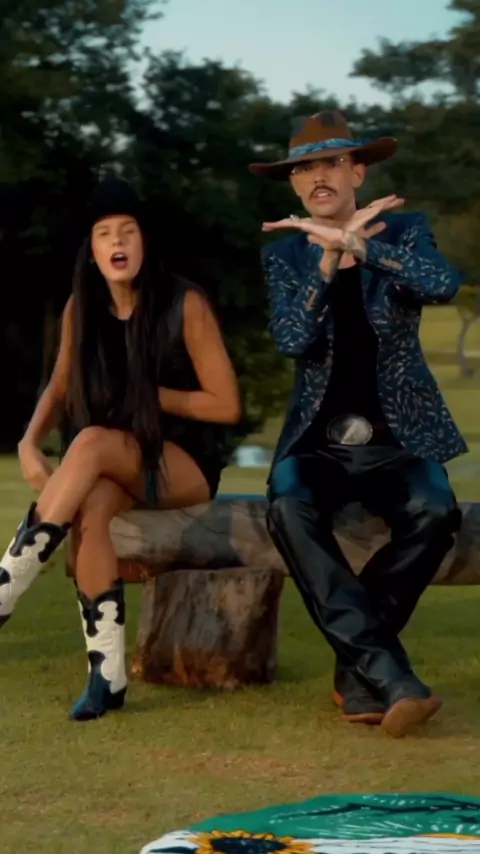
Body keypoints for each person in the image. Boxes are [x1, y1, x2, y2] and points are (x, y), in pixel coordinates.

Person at [249, 110, 466, 738]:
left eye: (333, 163)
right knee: (287, 505)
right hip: (315, 445)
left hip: (400, 441)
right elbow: (292, 340)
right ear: (294, 184)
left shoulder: (403, 230)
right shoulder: (285, 253)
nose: (318, 176)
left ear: (358, 173)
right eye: (304, 168)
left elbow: (442, 285)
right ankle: (388, 675)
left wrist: (362, 246)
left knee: (436, 511)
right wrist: (325, 261)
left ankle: (359, 671)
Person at [0, 176, 241, 722]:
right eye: (106, 233)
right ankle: (106, 676)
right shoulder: (81, 307)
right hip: (113, 457)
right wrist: (29, 441)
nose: (118, 241)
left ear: (144, 242)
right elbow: (60, 386)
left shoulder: (184, 302)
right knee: (90, 510)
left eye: (128, 231)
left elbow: (226, 405)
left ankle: (7, 588)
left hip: (183, 459)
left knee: (89, 442)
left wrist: (151, 395)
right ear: (92, 250)